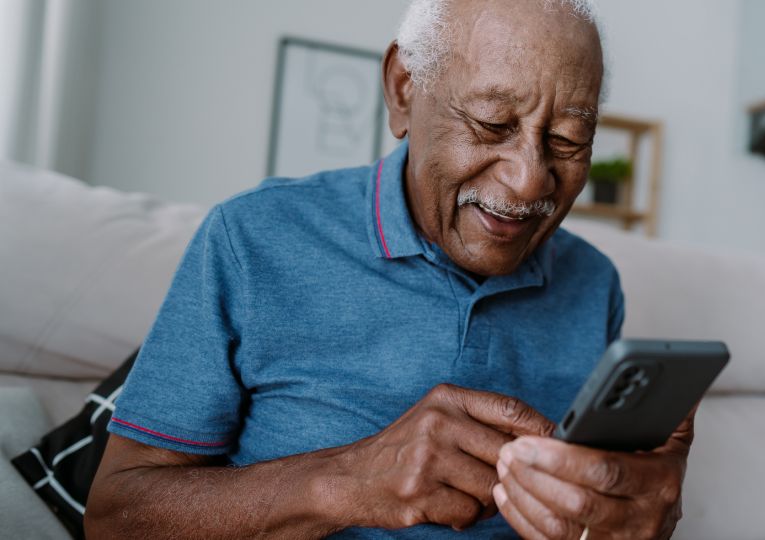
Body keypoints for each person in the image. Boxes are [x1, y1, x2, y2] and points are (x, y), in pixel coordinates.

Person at [86, 0, 692, 538]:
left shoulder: (595, 285)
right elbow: (115, 516)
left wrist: (638, 517)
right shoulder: (253, 239)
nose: (529, 178)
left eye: (566, 140)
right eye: (492, 124)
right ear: (404, 89)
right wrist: (349, 481)